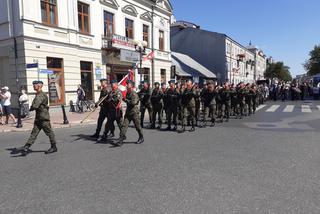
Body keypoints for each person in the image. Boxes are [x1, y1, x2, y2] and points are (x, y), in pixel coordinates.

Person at [16, 81, 57, 155]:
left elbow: (35, 106)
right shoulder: (38, 94)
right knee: (34, 133)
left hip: (43, 118)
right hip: (39, 118)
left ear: (39, 86)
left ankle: (54, 147)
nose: (33, 86)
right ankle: (26, 147)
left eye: (35, 85)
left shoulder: (41, 95)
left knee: (49, 132)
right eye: (33, 85)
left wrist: (30, 109)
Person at [112, 80, 144, 147]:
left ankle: (141, 137)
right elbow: (127, 101)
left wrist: (125, 100)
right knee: (124, 126)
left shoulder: (134, 93)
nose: (126, 85)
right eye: (127, 84)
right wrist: (123, 99)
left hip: (134, 113)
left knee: (137, 127)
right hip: (128, 113)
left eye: (128, 84)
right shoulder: (127, 93)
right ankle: (121, 140)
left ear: (131, 86)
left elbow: (133, 103)